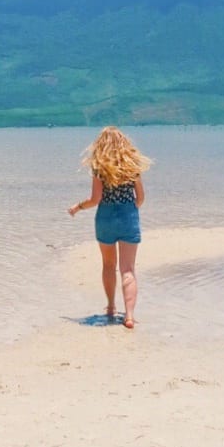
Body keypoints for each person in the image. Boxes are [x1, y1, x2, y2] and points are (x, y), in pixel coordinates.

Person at [67, 126, 151, 329]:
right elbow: (140, 198)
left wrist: (77, 207)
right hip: (128, 216)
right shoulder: (132, 168)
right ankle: (129, 316)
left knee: (108, 266)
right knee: (128, 269)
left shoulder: (99, 169)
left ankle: (112, 307)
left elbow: (95, 199)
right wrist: (129, 210)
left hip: (105, 217)